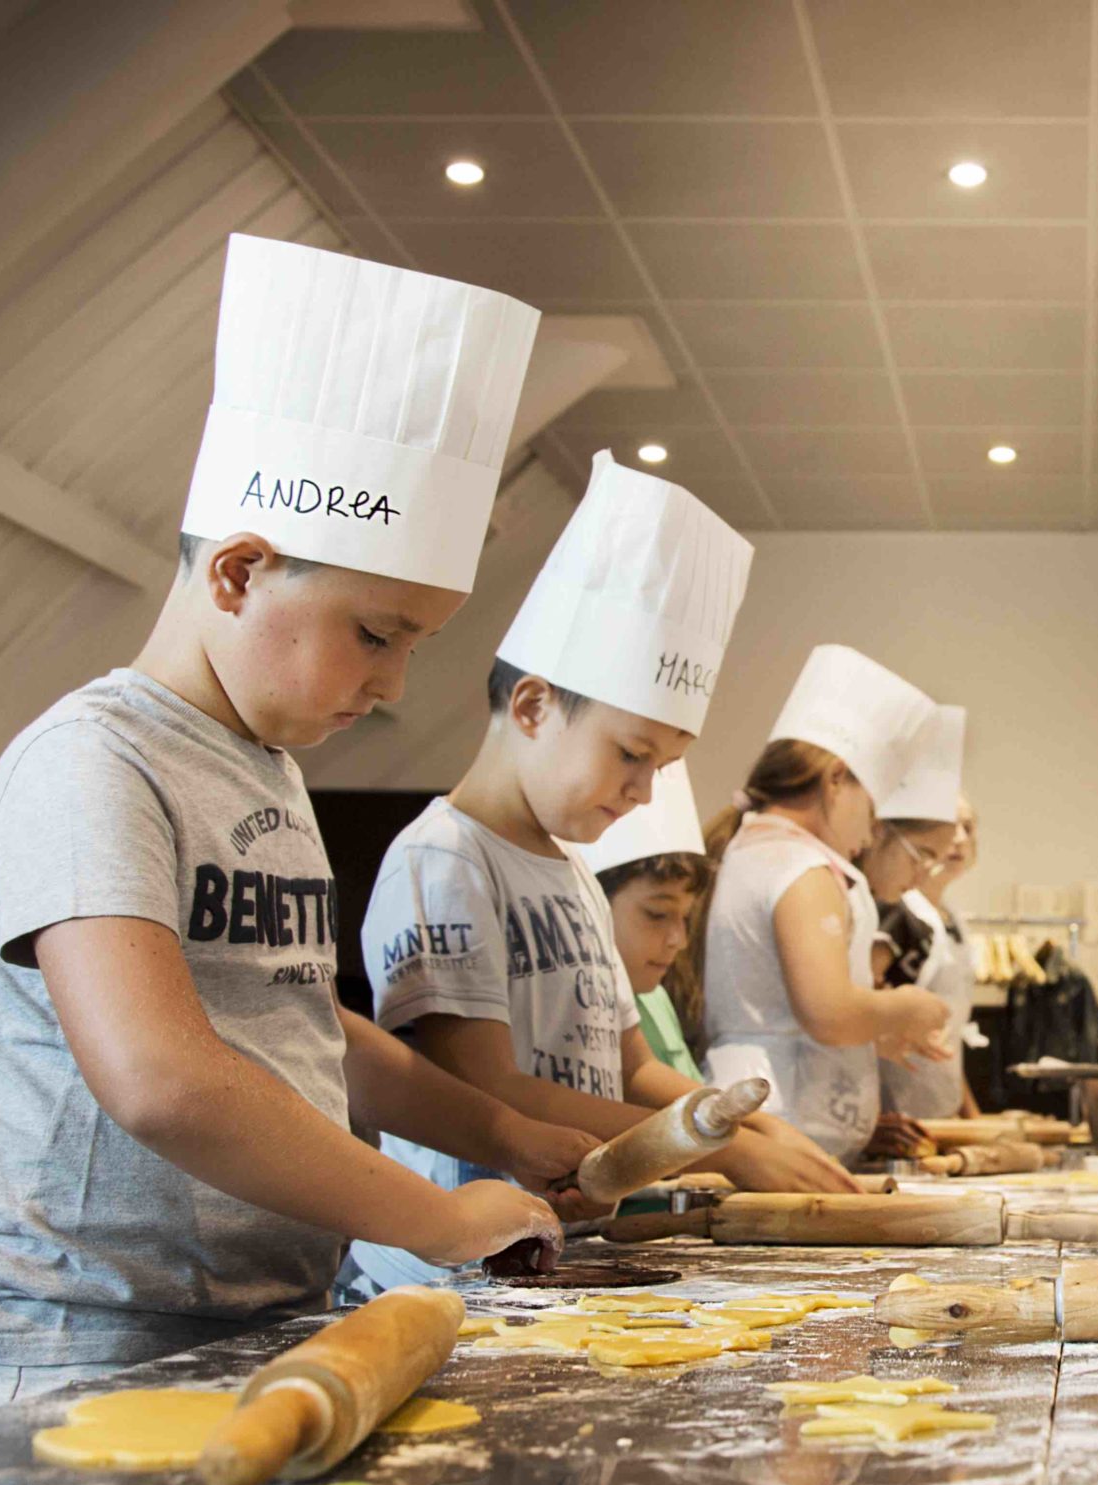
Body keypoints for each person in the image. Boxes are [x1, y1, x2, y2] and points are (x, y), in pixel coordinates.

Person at [0, 237, 567, 1403]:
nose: (392, 686)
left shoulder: (263, 768)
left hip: (265, 1314)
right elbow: (163, 1078)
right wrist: (434, 1216)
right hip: (85, 1338)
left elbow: (301, 1026)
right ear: (238, 572)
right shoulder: (94, 762)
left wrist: (500, 1129)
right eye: (376, 634)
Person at [347, 454, 857, 1294]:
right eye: (632, 753)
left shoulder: (575, 873)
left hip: (561, 1256)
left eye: (663, 763)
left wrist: (748, 1124)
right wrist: (714, 1145)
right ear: (534, 706)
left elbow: (629, 1065)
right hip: (453, 1276)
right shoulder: (445, 859)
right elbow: (486, 1084)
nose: (644, 788)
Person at [696, 646, 952, 1163]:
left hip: (781, 1120)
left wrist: (876, 1034)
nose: (872, 830)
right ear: (836, 779)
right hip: (782, 1118)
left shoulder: (760, 850)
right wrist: (909, 1007)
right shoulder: (800, 866)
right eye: (873, 807)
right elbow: (828, 1013)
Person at [864, 710, 972, 1122]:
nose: (925, 871)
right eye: (924, 855)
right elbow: (832, 1009)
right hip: (889, 1104)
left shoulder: (942, 917)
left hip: (925, 1104)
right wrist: (900, 1008)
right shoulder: (891, 912)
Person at [584, 760, 712, 1081]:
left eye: (685, 917)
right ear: (592, 903)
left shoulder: (654, 996)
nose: (678, 940)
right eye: (657, 914)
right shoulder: (579, 1008)